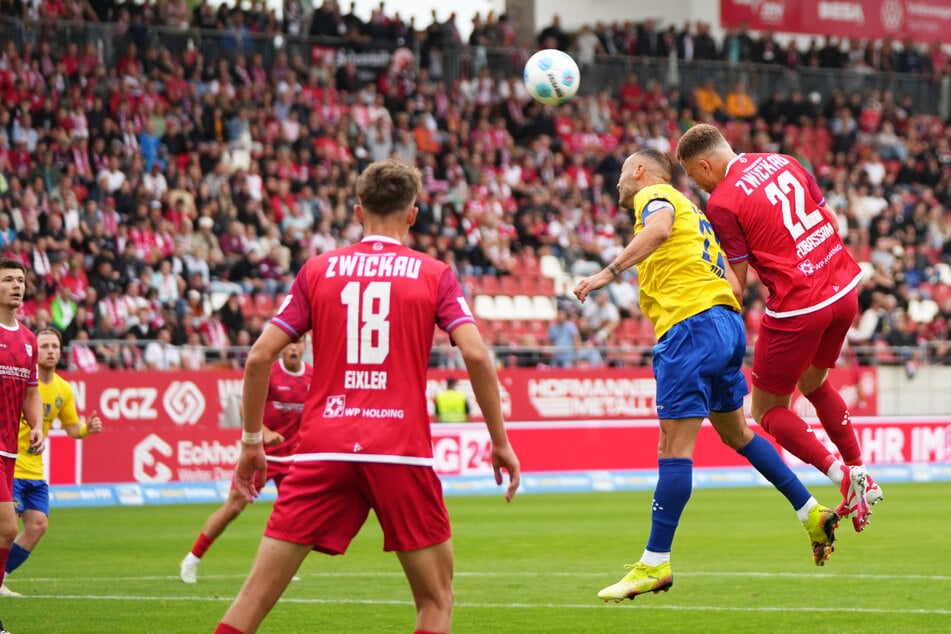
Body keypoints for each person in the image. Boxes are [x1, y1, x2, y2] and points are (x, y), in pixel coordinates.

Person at [215, 160, 520, 634]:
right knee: (435, 601)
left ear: (359, 211)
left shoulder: (318, 270)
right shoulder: (434, 273)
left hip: (321, 449)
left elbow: (257, 358)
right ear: (413, 215)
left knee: (252, 599)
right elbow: (478, 358)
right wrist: (499, 441)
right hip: (399, 450)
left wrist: (251, 441)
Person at [573, 149, 839, 602]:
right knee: (737, 434)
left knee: (672, 447)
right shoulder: (691, 209)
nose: (619, 185)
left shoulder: (654, 195)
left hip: (690, 327)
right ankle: (810, 510)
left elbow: (656, 229)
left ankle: (654, 562)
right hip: (725, 323)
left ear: (639, 171)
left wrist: (608, 273)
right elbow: (729, 279)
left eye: (621, 175)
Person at [676, 123, 881, 532]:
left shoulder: (722, 202)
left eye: (694, 176)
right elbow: (831, 221)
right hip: (842, 289)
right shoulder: (783, 161)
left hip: (799, 307)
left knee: (766, 410)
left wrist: (698, 269)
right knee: (814, 383)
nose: (696, 185)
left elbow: (736, 288)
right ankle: (859, 471)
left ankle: (842, 475)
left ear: (704, 165)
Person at [180, 338, 312, 584]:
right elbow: (245, 408)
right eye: (290, 343)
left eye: (298, 343)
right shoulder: (270, 373)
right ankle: (192, 558)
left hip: (295, 458)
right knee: (233, 508)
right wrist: (264, 432)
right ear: (282, 347)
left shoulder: (313, 377)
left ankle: (278, 568)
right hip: (262, 455)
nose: (293, 348)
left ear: (305, 346)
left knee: (296, 516)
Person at [0, 328, 103, 597]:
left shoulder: (63, 389)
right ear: (34, 349)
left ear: (60, 352)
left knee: (37, 526)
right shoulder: (21, 380)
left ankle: (2, 578)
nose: (49, 350)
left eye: (54, 346)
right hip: (12, 465)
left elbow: (71, 428)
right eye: (44, 345)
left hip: (35, 470)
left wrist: (86, 429)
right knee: (5, 528)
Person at [0, 259, 44, 630]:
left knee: (4, 530)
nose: (17, 285)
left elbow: (32, 391)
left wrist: (37, 426)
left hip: (9, 450)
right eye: (8, 280)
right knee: (8, 528)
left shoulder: (28, 341)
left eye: (20, 280)